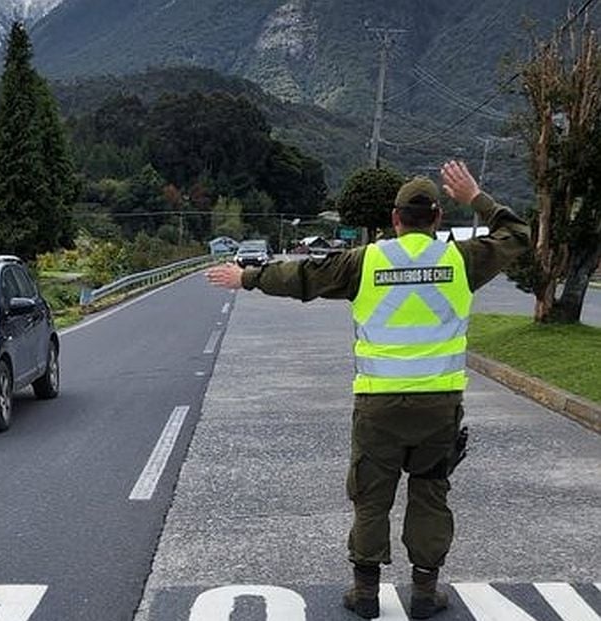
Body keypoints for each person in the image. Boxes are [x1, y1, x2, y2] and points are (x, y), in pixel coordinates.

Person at [205, 161, 531, 620]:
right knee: (430, 494)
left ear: (395, 219)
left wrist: (247, 277)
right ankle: (424, 593)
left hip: (378, 407)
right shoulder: (461, 259)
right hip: (439, 407)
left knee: (371, 498)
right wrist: (475, 196)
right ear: (438, 219)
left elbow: (304, 278)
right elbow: (517, 235)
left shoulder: (367, 260)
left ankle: (365, 594)